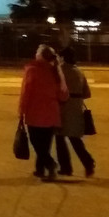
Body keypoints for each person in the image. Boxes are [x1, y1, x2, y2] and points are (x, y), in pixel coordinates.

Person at [18, 44, 69, 180]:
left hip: (35, 113)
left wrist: (21, 110)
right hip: (51, 114)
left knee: (36, 143)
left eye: (37, 52)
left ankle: (51, 165)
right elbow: (64, 95)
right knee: (45, 145)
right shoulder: (56, 71)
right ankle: (40, 169)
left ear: (40, 55)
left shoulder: (32, 70)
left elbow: (26, 92)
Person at [55, 46, 96, 177]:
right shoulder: (79, 71)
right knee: (75, 139)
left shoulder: (59, 71)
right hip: (76, 107)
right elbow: (87, 93)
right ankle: (88, 162)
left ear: (62, 57)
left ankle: (66, 167)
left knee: (59, 137)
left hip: (62, 106)